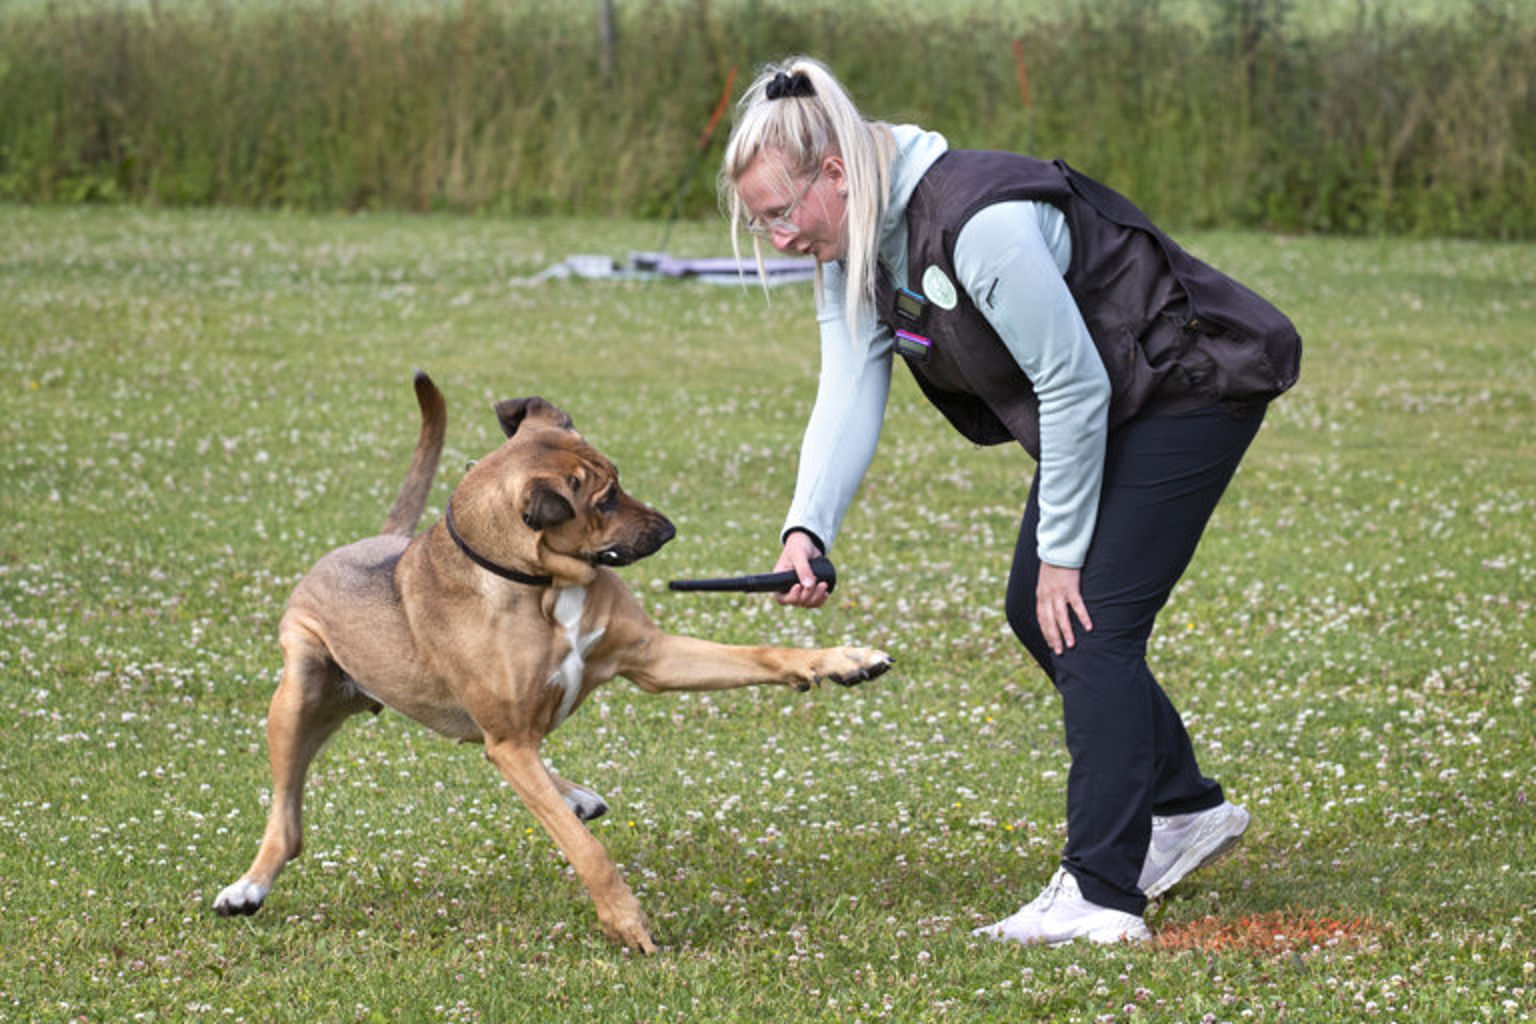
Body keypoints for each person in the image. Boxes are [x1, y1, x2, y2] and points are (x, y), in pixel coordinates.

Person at [718, 56, 1301, 946]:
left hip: (1190, 385)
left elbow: (1072, 387)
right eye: (762, 223)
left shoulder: (976, 223)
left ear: (835, 173)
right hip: (1118, 397)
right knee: (1037, 612)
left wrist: (1065, 556)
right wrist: (808, 526)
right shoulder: (863, 242)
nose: (778, 239)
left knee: (1085, 617)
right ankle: (1181, 812)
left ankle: (1102, 895)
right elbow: (847, 386)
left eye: (780, 214)